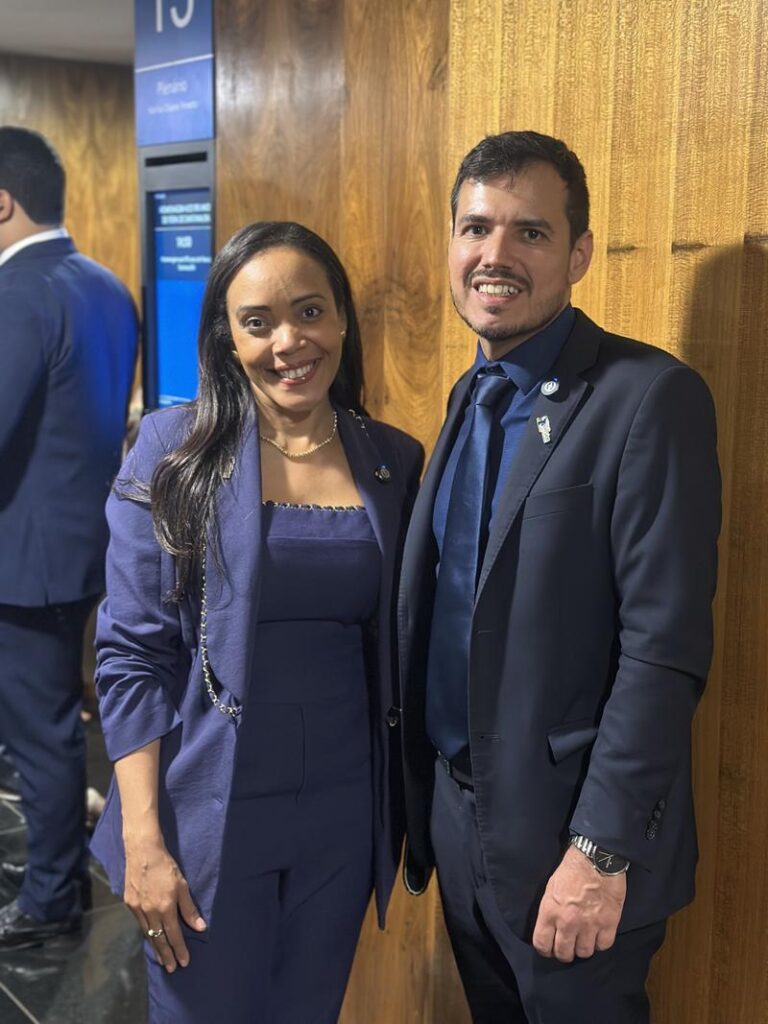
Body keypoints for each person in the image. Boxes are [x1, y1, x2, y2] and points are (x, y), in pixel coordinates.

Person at [398, 131, 721, 1023]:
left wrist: (600, 852)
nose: (495, 254)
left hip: (572, 843)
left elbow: (664, 652)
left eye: (530, 232)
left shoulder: (648, 398)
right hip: (459, 821)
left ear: (579, 254)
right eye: (476, 228)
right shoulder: (469, 394)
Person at [90, 221, 423, 1023]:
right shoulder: (173, 452)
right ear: (227, 338)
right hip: (204, 814)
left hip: (341, 819)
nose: (289, 342)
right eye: (258, 322)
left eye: (309, 312)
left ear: (341, 318)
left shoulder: (393, 460)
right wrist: (143, 840)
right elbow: (130, 657)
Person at [0, 126, 138, 948]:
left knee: (42, 735)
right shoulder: (104, 284)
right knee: (50, 726)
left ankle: (51, 901)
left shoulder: (17, 293)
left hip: (22, 562)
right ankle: (56, 872)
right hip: (80, 546)